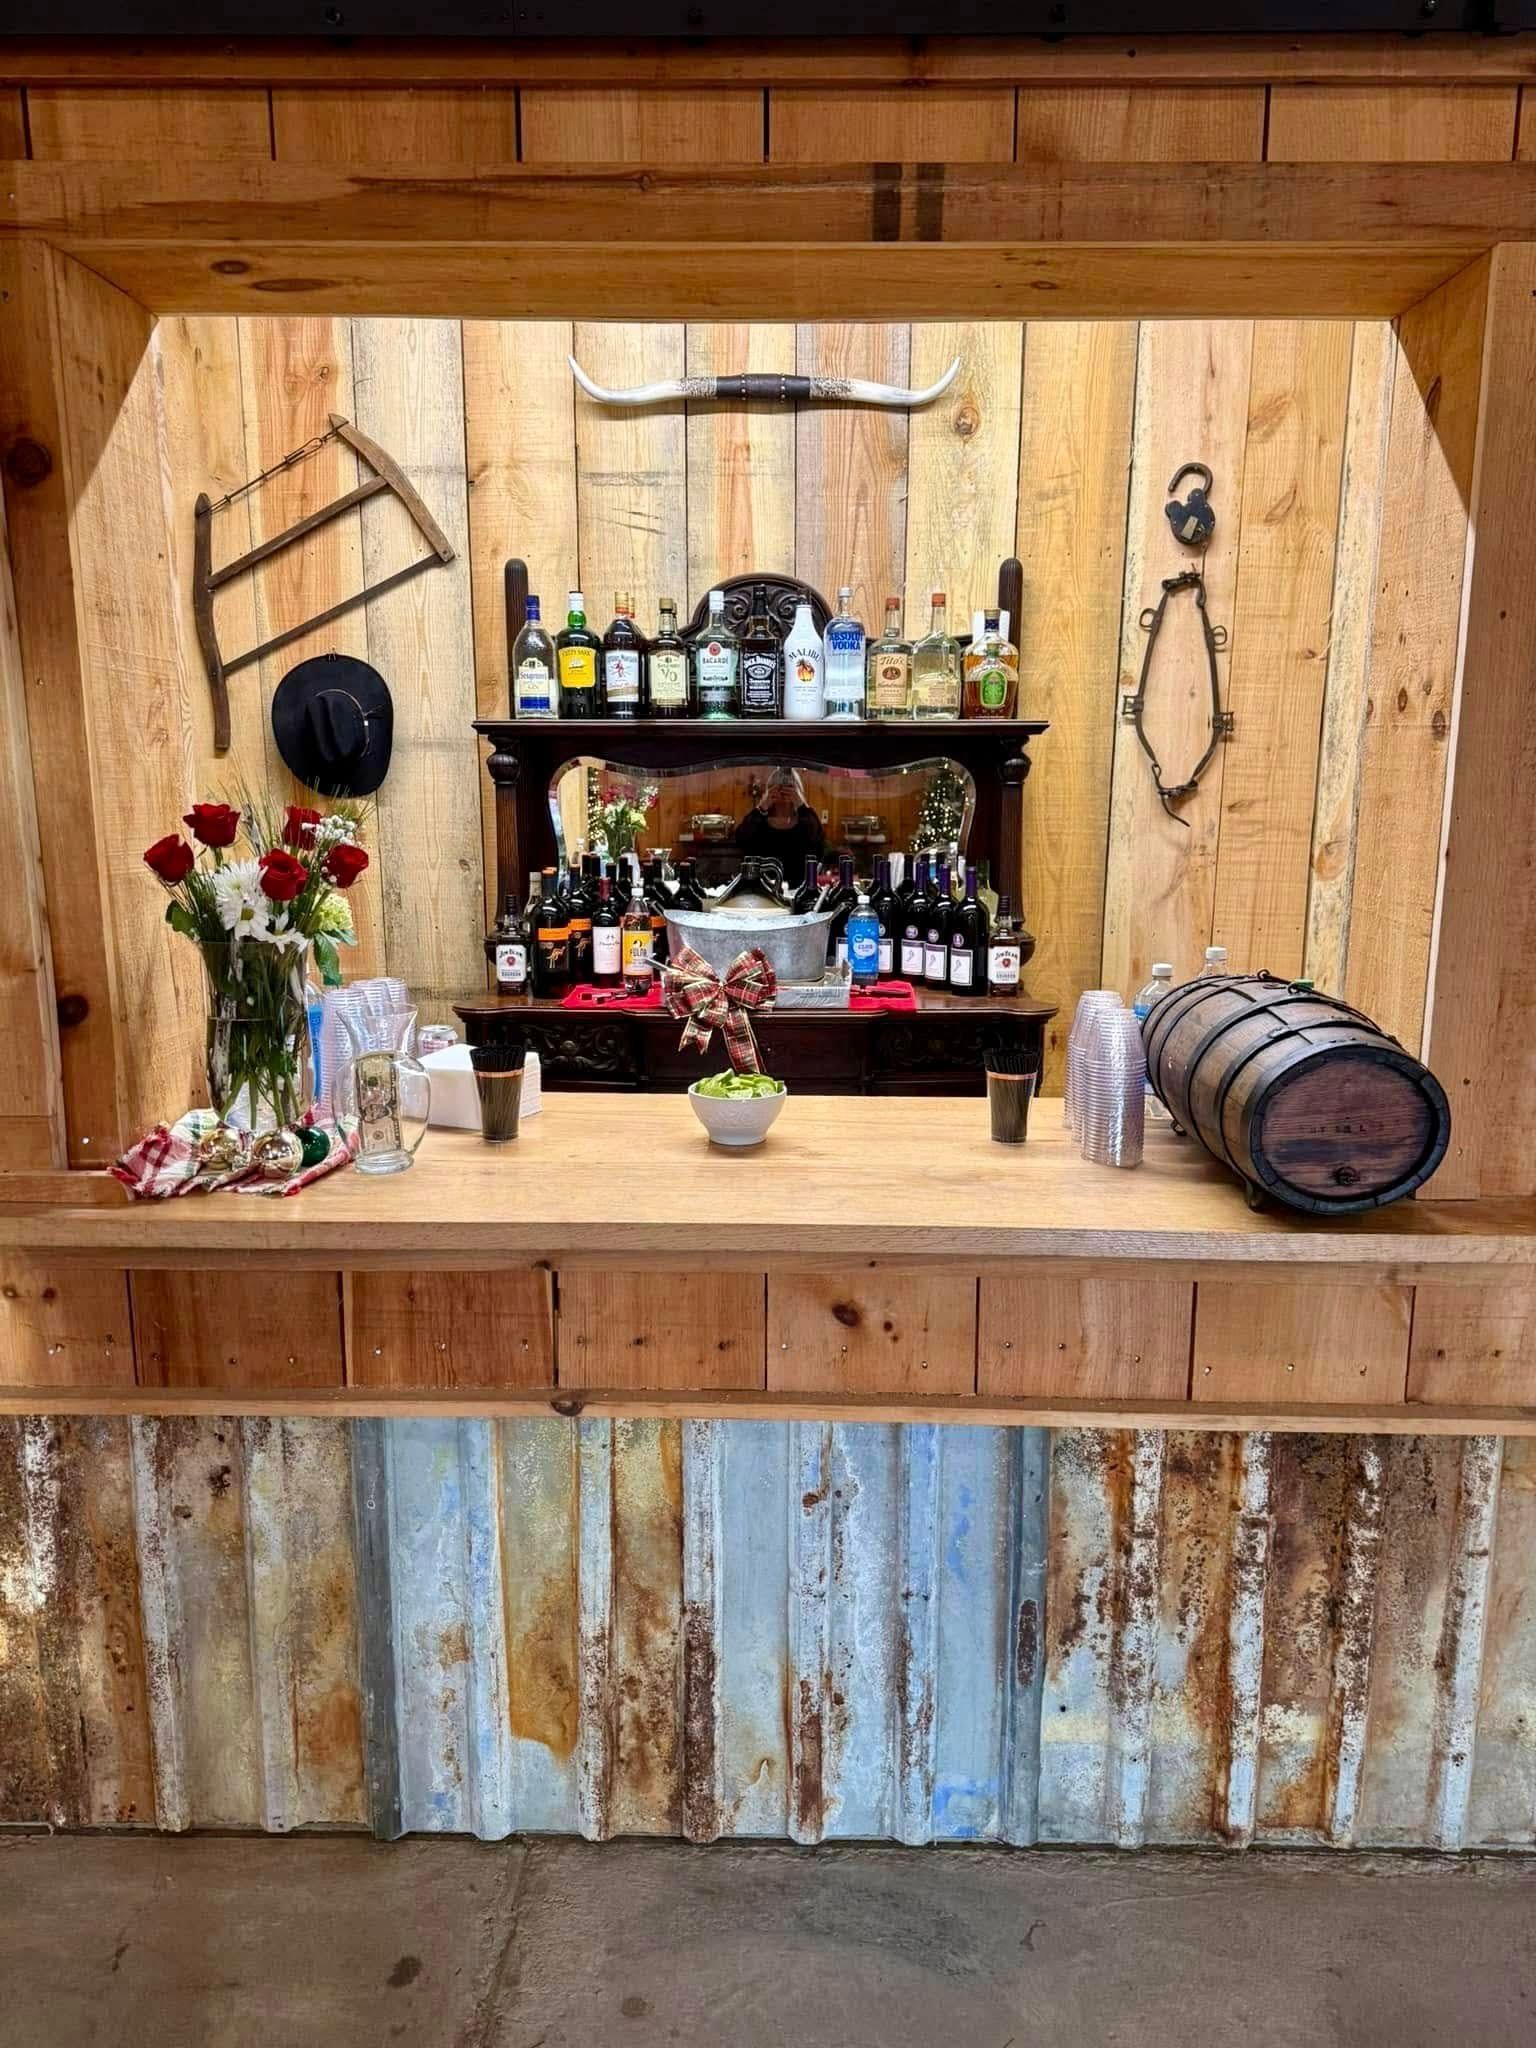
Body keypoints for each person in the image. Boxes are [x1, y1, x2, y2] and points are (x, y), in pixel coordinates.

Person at [734, 766, 826, 878]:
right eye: (779, 786)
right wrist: (763, 805)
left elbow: (818, 840)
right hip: (763, 887)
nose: (784, 791)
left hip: (798, 888)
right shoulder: (759, 821)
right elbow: (741, 838)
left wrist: (801, 804)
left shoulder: (805, 821)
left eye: (790, 787)